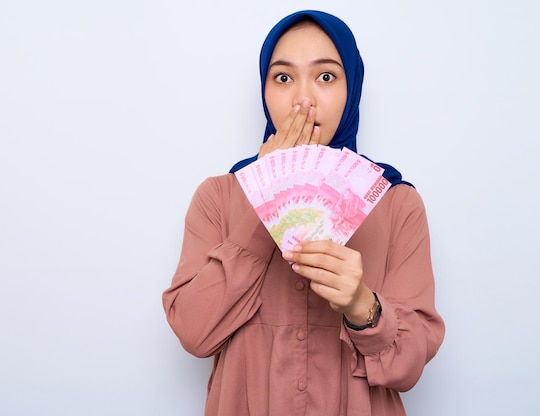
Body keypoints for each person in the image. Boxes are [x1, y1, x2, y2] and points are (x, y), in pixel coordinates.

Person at [162, 9, 445, 416]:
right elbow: (193, 333)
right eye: (283, 77)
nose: (303, 99)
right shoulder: (218, 198)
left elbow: (409, 367)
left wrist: (363, 306)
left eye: (326, 76)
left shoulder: (396, 202)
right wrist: (265, 205)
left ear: (352, 89)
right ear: (264, 91)